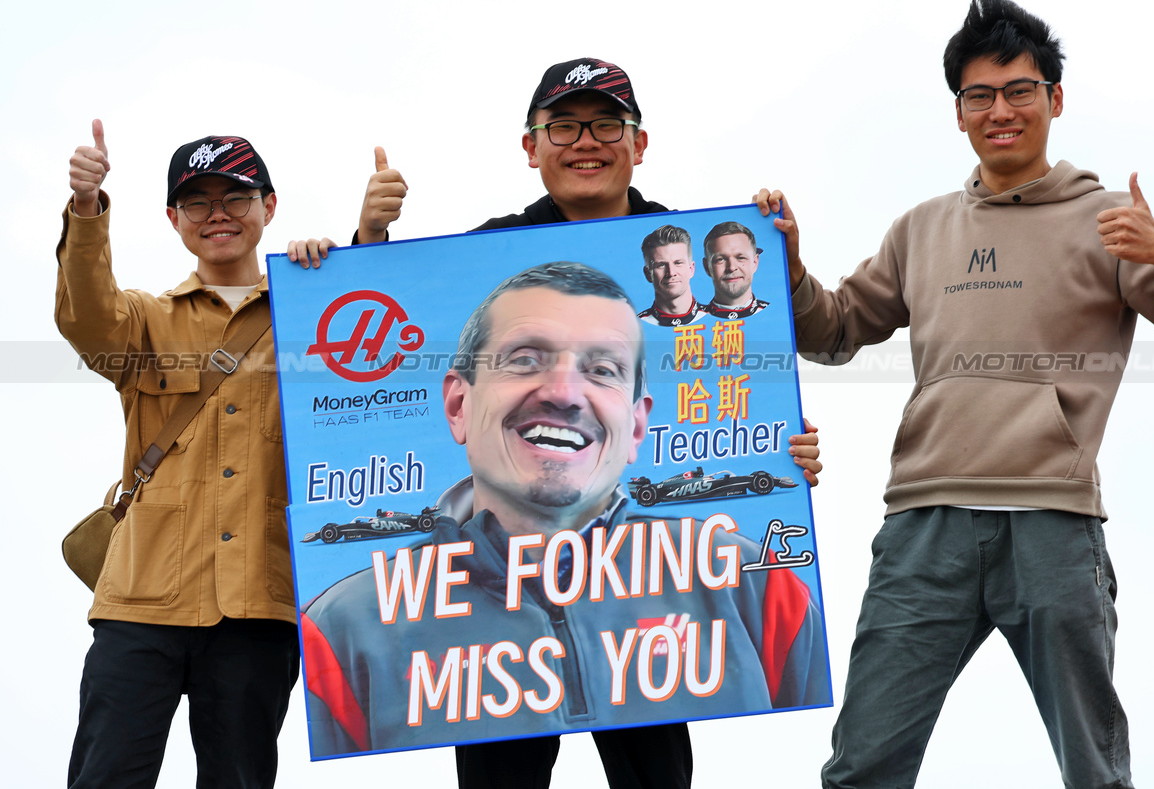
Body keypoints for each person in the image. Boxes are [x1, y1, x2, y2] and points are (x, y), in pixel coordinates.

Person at [760, 0, 1154, 788]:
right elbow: (837, 330)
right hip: (924, 527)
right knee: (861, 768)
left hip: (1053, 526)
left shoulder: (1109, 222)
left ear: (1054, 99)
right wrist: (783, 267)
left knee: (1096, 770)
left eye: (1020, 90)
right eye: (980, 95)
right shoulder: (920, 228)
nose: (1002, 110)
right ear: (958, 112)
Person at [290, 58, 823, 789]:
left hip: (646, 598)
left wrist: (784, 445)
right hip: (479, 620)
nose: (586, 142)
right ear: (530, 146)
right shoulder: (487, 248)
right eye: (563, 125)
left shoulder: (693, 252)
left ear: (639, 144)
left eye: (607, 124)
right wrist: (359, 246)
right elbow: (383, 315)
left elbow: (742, 387)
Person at [300, 262, 828, 760]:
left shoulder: (756, 583)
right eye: (525, 359)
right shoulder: (343, 630)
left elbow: (802, 758)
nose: (564, 393)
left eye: (602, 369)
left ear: (638, 427)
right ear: (460, 406)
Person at [58, 122, 332, 788]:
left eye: (236, 197)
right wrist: (87, 210)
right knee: (106, 776)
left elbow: (378, 371)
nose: (219, 215)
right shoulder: (146, 321)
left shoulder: (311, 313)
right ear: (174, 219)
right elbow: (86, 319)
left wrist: (352, 259)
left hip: (258, 606)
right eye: (200, 201)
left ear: (269, 207)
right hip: (140, 602)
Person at [637, 224, 706, 326]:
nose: (671, 273)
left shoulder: (717, 318)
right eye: (661, 265)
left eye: (678, 263)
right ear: (648, 274)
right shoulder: (635, 327)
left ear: (691, 269)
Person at [702, 221, 769, 319]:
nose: (732, 267)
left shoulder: (779, 315)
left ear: (755, 263)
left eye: (740, 257)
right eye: (720, 259)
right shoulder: (691, 323)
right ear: (707, 267)